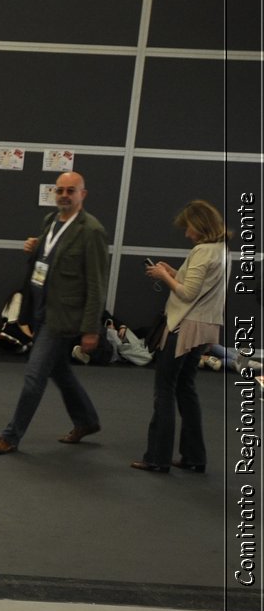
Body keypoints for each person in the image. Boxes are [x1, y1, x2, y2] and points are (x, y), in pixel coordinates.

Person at [0, 171, 107, 454]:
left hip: (62, 317)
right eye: (60, 190)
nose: (64, 195)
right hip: (40, 310)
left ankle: (10, 437)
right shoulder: (50, 222)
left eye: (71, 191)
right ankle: (87, 421)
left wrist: (92, 328)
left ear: (82, 195)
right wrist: (33, 248)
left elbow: (97, 284)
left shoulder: (92, 231)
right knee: (60, 371)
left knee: (34, 376)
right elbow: (47, 259)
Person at [132, 200, 230, 473]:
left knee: (164, 391)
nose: (187, 233)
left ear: (199, 226)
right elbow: (200, 288)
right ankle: (194, 456)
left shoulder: (202, 251)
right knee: (186, 389)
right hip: (204, 328)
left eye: (188, 227)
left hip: (183, 329)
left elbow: (186, 294)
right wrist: (174, 273)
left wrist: (163, 275)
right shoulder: (222, 250)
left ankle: (157, 457)